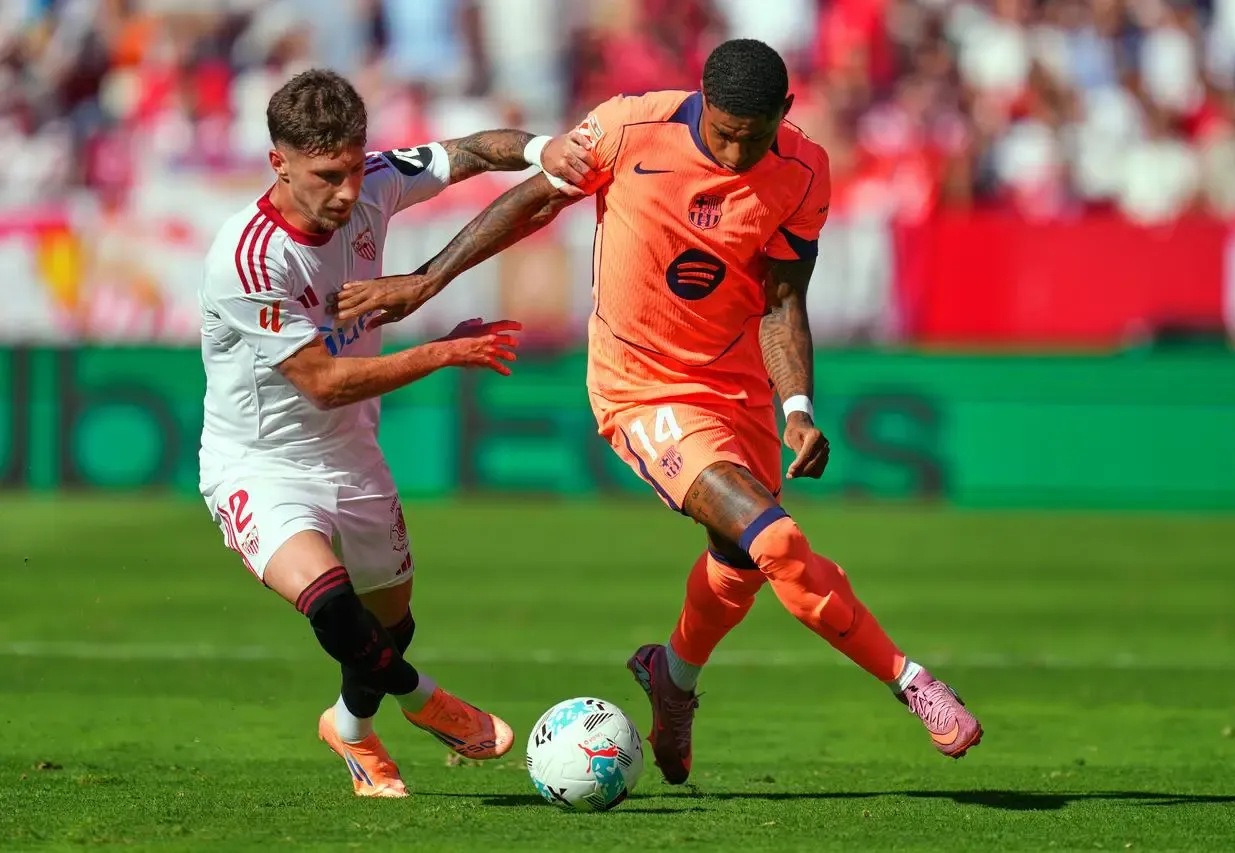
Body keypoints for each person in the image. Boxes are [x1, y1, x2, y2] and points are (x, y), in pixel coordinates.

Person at [335, 40, 983, 786]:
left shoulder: (804, 170)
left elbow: (782, 301)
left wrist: (798, 407)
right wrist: (423, 281)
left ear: (786, 112)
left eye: (754, 137)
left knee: (739, 559)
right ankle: (911, 680)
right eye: (724, 134)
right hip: (641, 385)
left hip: (737, 383)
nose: (736, 153)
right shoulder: (627, 129)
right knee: (775, 539)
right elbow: (532, 201)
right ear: (702, 99)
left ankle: (671, 675)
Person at [197, 68, 590, 798]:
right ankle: (423, 698)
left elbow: (470, 152)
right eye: (326, 176)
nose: (347, 191)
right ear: (279, 162)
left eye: (353, 167)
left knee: (389, 623)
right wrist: (443, 351)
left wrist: (544, 147)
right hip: (259, 462)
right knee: (331, 601)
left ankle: (350, 730)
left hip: (352, 452)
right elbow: (322, 381)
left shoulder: (375, 182)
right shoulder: (250, 259)